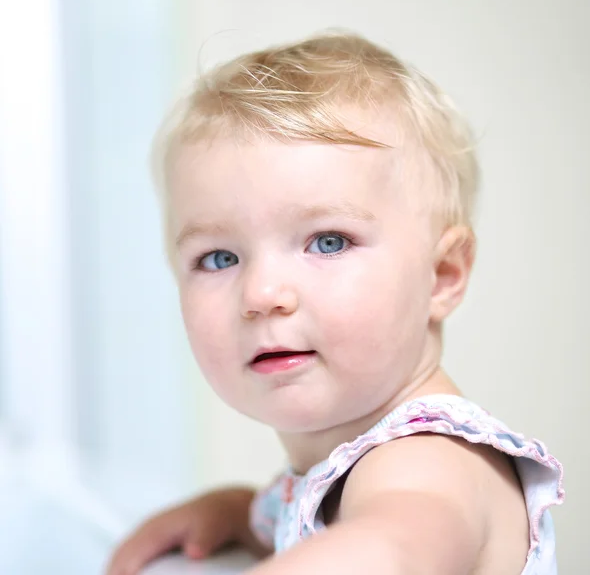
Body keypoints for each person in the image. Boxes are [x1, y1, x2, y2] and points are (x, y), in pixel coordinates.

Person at [107, 32, 564, 575]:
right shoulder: (347, 468)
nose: (260, 295)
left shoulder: (430, 459)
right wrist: (242, 516)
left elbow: (393, 550)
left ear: (441, 277)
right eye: (219, 258)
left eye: (328, 242)